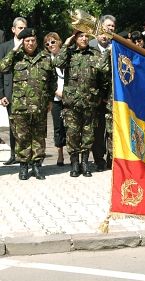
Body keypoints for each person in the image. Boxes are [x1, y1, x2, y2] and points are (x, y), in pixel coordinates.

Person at [53, 29, 110, 178]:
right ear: (75, 38)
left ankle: (85, 163)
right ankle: (74, 163)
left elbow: (104, 74)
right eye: (80, 36)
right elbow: (58, 63)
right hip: (72, 102)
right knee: (72, 134)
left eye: (86, 36)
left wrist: (100, 95)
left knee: (88, 134)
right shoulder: (70, 53)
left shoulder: (95, 54)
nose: (84, 39)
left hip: (90, 102)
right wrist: (66, 44)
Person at [0, 28, 55, 180]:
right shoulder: (16, 57)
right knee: (22, 137)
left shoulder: (44, 57)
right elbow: (3, 67)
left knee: (39, 138)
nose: (30, 43)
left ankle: (37, 166)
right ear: (22, 42)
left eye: (33, 41)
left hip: (40, 106)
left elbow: (52, 80)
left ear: (36, 42)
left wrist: (50, 99)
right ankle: (23, 166)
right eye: (27, 41)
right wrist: (14, 49)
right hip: (20, 106)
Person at [90, 15, 116, 172]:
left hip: (114, 97)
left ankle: (112, 160)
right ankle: (99, 159)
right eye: (108, 26)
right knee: (98, 131)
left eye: (113, 26)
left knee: (113, 131)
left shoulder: (118, 47)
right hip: (96, 97)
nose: (110, 29)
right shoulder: (91, 46)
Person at [0, 16, 27, 166]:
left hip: (27, 92)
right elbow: (0, 73)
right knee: (13, 125)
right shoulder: (4, 47)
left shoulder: (30, 45)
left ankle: (27, 154)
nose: (23, 30)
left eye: (25, 28)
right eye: (20, 28)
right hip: (11, 93)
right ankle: (13, 154)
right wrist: (1, 94)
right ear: (13, 29)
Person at [44, 32, 66, 166]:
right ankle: (60, 155)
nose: (50, 45)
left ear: (59, 41)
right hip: (56, 98)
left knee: (73, 128)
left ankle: (76, 156)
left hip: (71, 97)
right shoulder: (47, 60)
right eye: (47, 44)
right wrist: (56, 92)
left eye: (53, 42)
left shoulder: (68, 55)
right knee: (58, 128)